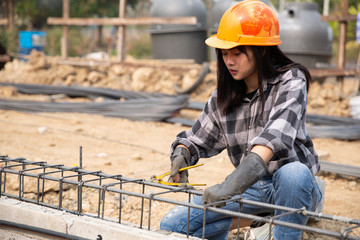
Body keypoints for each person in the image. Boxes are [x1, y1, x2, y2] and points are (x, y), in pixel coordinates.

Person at [159, 0, 322, 239]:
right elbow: (196, 139)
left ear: (262, 50)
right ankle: (263, 220)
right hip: (252, 190)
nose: (230, 61)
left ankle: (287, 224)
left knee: (293, 174)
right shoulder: (222, 99)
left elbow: (273, 139)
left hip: (291, 186)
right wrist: (181, 154)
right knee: (172, 225)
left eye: (237, 53)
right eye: (224, 54)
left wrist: (230, 186)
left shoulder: (291, 81)